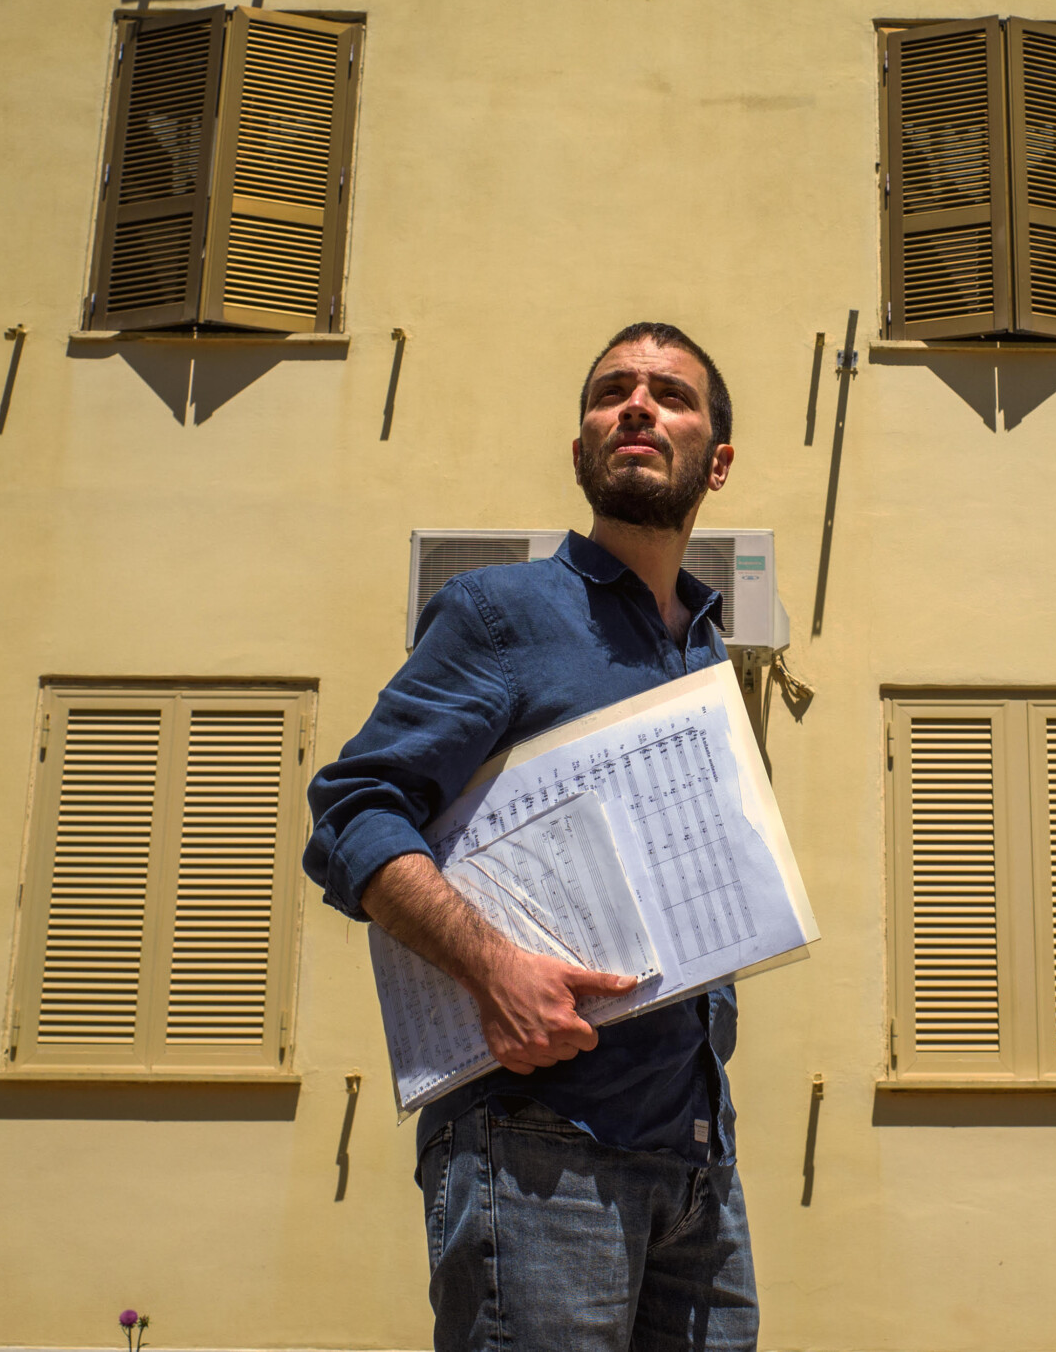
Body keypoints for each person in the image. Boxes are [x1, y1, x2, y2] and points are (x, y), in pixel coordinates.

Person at [303, 322, 757, 1352]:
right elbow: (353, 810)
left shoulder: (706, 653)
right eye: (612, 391)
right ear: (581, 447)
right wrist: (493, 967)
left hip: (698, 1160)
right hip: (537, 1143)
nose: (637, 406)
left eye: (671, 395)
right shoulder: (498, 612)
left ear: (718, 460)